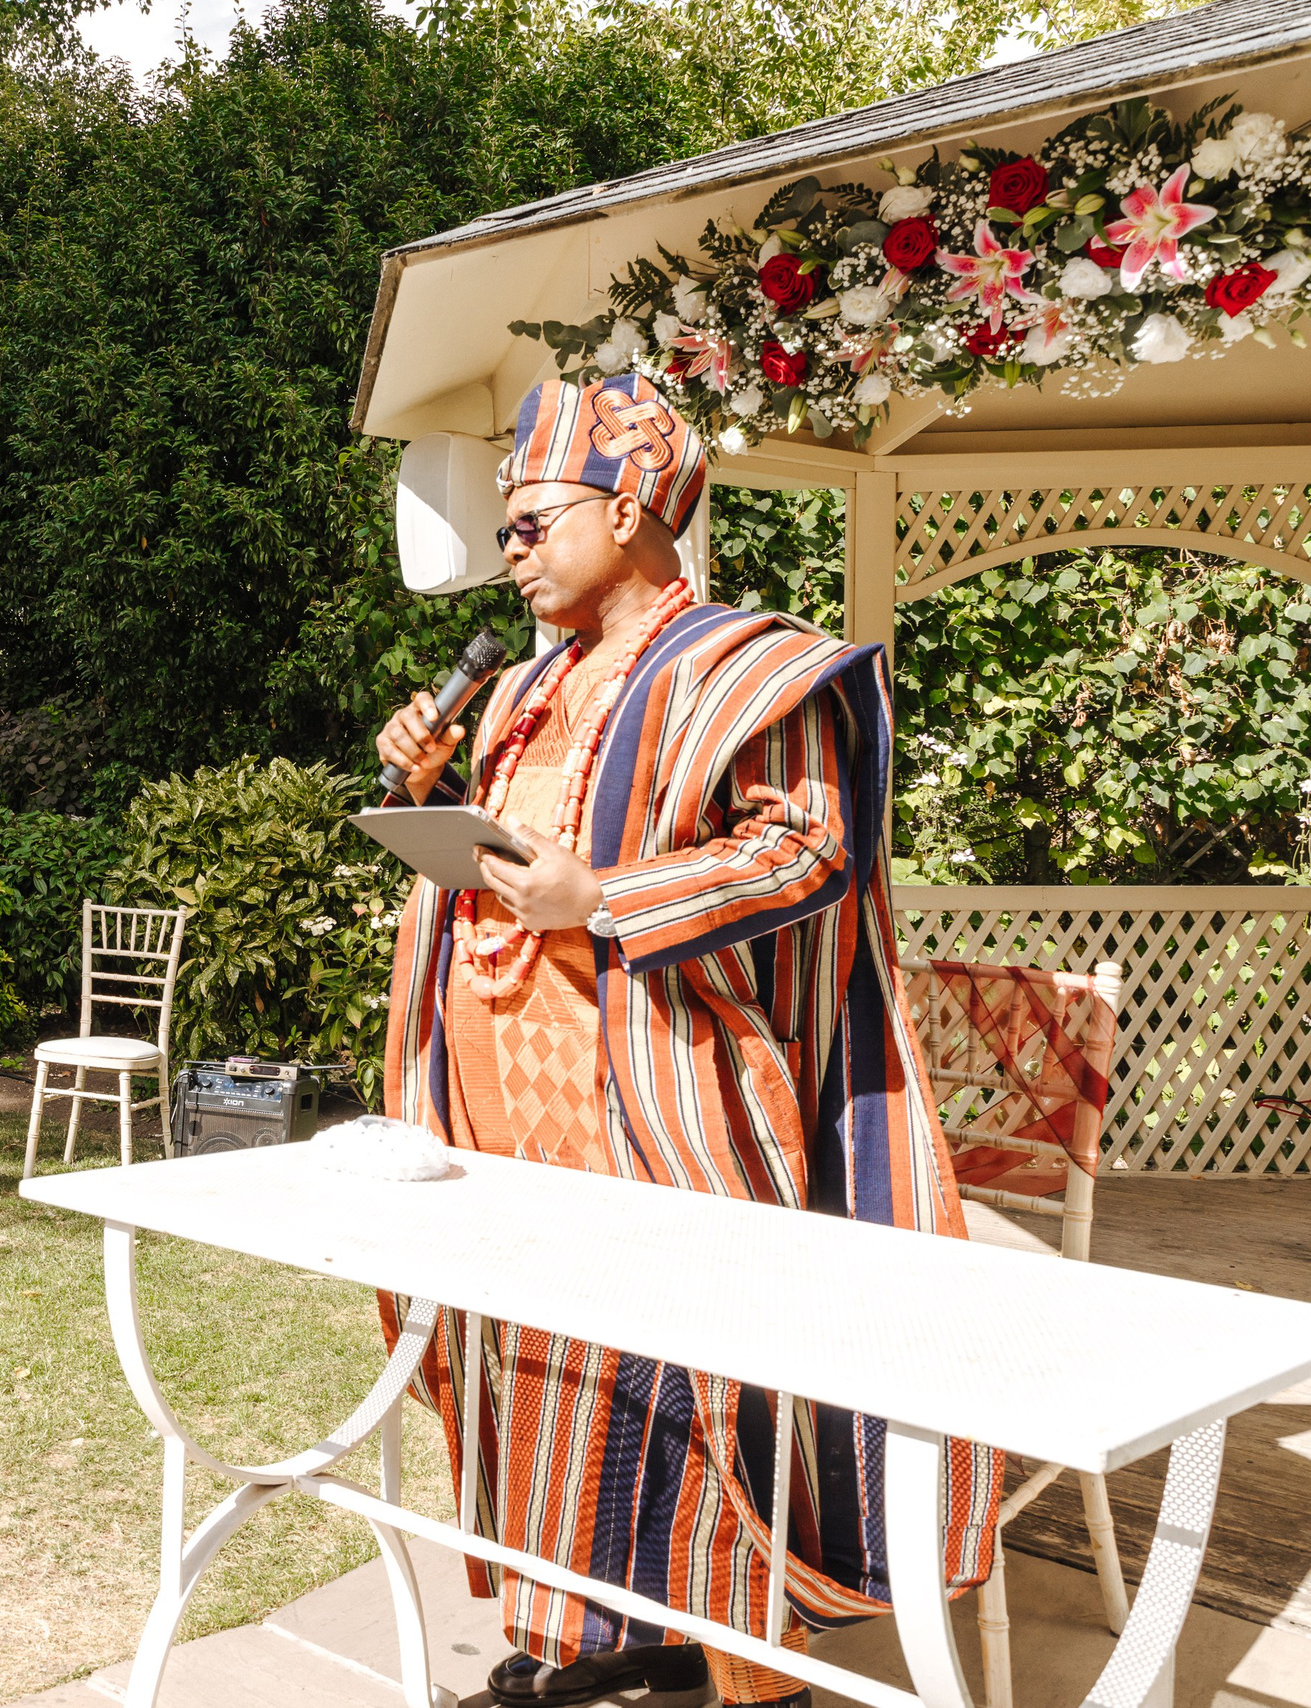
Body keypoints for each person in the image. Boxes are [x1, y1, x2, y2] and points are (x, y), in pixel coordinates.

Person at [370, 375, 994, 1708]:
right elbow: (519, 854)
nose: (510, 550)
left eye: (531, 521)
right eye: (506, 528)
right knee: (549, 1369)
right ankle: (607, 1637)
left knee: (688, 1378)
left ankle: (754, 1675)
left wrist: (603, 900)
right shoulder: (524, 686)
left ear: (628, 506)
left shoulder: (750, 666)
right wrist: (431, 788)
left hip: (663, 1094)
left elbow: (807, 849)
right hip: (502, 1086)